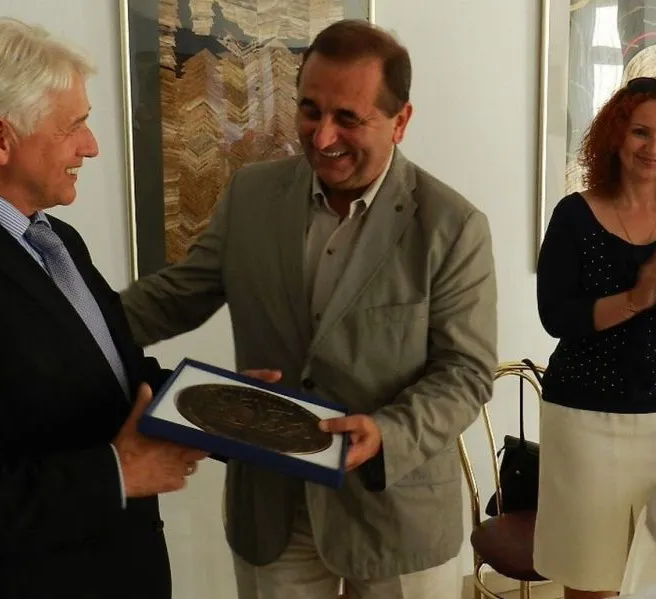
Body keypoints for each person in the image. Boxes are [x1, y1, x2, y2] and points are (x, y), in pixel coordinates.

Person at [121, 19, 498, 599]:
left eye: (348, 118)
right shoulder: (250, 195)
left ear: (400, 121)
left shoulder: (453, 226)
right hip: (274, 508)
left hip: (395, 506)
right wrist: (65, 320)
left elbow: (466, 372)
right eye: (309, 110)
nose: (322, 137)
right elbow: (174, 298)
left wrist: (387, 433)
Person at [0, 18, 208, 599]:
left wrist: (225, 409)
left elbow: (113, 378)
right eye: (73, 126)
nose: (92, 145)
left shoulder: (57, 240)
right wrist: (118, 474)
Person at [535, 76, 656, 599]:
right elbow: (557, 317)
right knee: (589, 577)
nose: (654, 148)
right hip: (583, 420)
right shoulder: (573, 215)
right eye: (641, 132)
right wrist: (637, 298)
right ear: (616, 135)